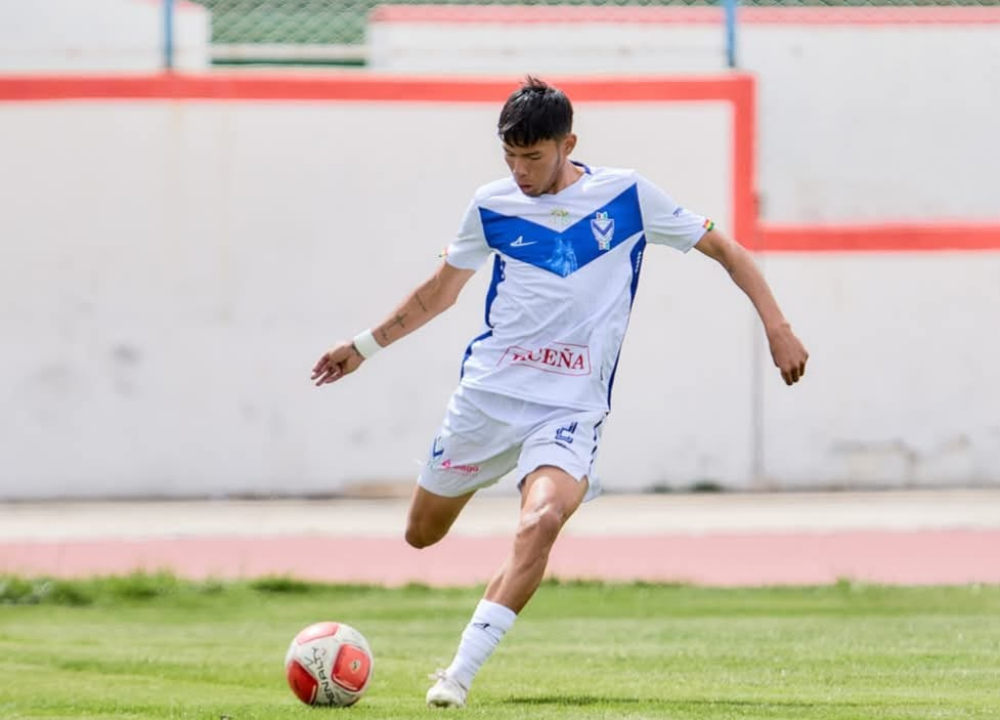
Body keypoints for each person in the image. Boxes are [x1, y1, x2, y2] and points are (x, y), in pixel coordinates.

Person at [311, 76, 808, 709]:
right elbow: (439, 293)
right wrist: (364, 346)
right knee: (421, 534)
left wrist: (778, 326)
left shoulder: (627, 195)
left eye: (534, 157)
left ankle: (458, 674)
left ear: (568, 143)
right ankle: (467, 534)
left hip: (570, 405)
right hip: (488, 397)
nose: (520, 171)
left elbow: (727, 251)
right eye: (510, 157)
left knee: (541, 520)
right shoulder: (491, 205)